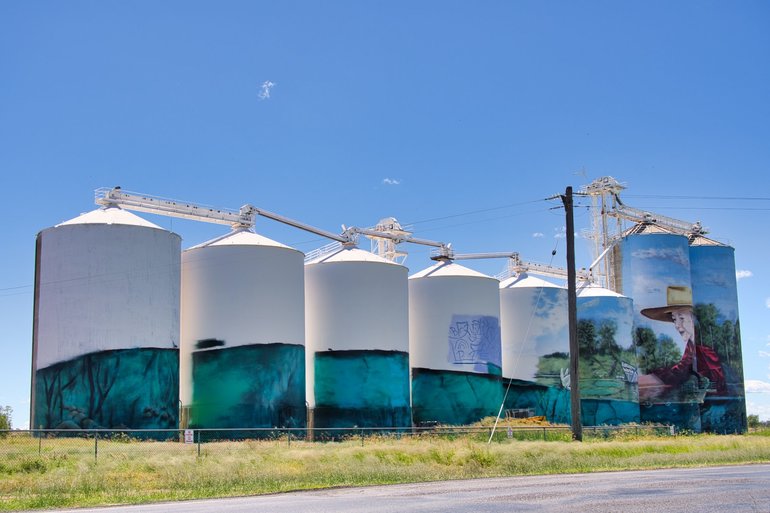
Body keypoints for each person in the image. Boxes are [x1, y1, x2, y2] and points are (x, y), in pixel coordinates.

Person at [637, 286, 725, 402]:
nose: (677, 325)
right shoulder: (691, 346)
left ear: (694, 319)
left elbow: (715, 383)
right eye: (674, 319)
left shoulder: (704, 348)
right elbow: (681, 369)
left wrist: (653, 380)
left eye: (681, 318)